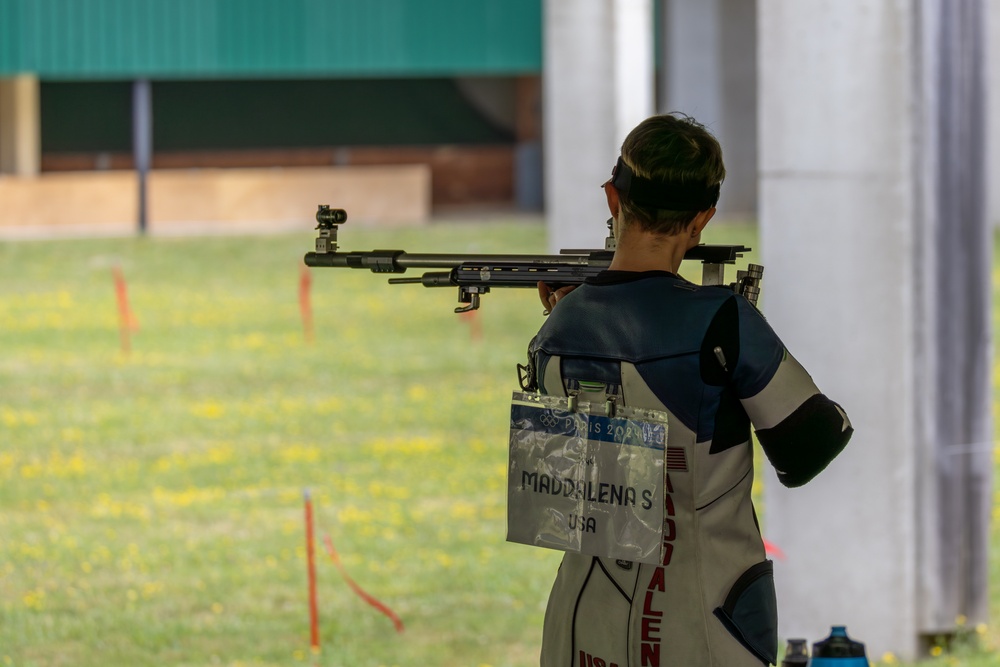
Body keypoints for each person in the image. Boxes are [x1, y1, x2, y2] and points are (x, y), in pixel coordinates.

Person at [527, 113, 853, 667]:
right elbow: (811, 446)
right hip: (703, 625)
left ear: (613, 199)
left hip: (581, 627)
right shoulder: (722, 322)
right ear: (702, 219)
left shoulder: (556, 327)